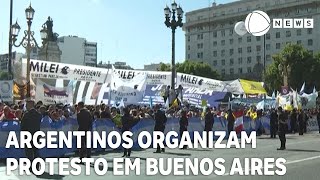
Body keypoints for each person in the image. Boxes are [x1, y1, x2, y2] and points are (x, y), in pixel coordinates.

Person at [20, 99, 42, 173]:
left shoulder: (26, 115)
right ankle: (36, 166)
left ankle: (30, 166)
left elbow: (22, 125)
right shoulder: (38, 115)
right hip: (36, 134)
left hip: (28, 135)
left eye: (27, 105)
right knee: (36, 151)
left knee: (29, 152)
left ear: (30, 105)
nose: (26, 106)